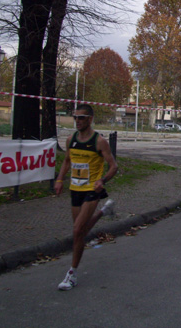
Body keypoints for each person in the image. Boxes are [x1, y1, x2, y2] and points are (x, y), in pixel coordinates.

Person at [55, 104, 119, 291]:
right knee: (80, 233)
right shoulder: (70, 139)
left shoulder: (99, 141)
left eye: (81, 118)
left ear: (90, 119)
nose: (77, 121)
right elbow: (67, 160)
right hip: (75, 188)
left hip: (93, 189)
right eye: (75, 117)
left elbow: (114, 166)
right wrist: (60, 179)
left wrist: (102, 180)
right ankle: (103, 212)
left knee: (77, 230)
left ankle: (72, 274)